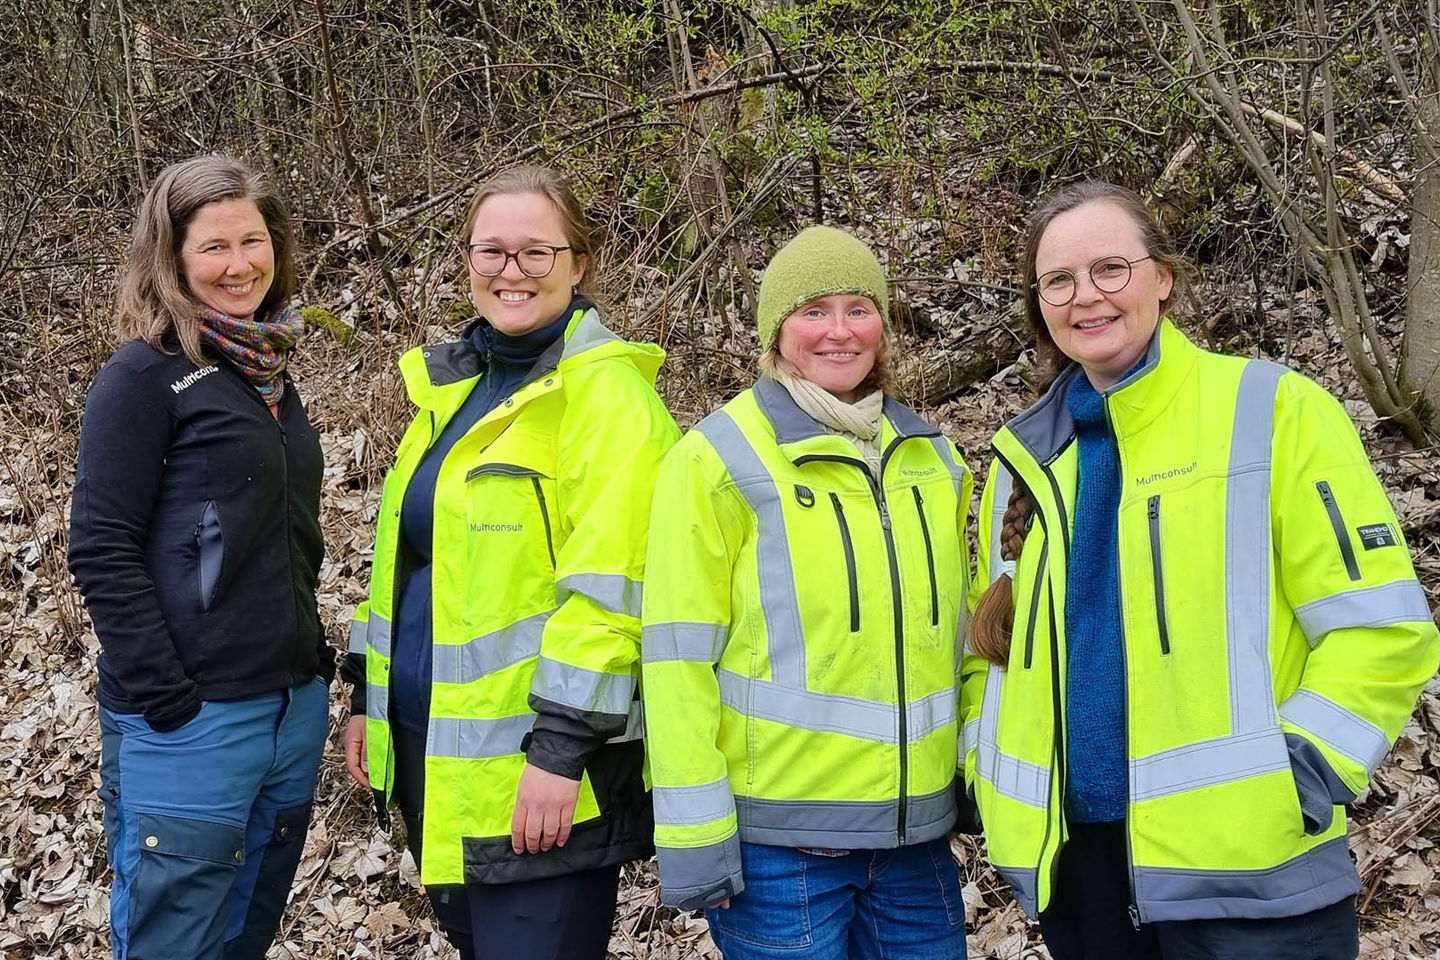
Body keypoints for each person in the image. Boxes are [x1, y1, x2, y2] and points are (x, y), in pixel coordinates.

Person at [963, 180, 1440, 960]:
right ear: (1040, 303)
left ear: (1164, 277)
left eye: (1111, 268)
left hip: (1253, 874)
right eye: (1059, 280)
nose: (1087, 296)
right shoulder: (1023, 463)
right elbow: (1000, 657)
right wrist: (990, 777)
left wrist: (1299, 774)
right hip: (1079, 878)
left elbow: (1382, 629)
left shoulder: (1273, 411)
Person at [341, 165, 679, 960]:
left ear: (579, 263)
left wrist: (559, 754)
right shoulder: (453, 389)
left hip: (543, 779)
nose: (510, 272)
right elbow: (408, 561)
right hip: (438, 766)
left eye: (536, 252)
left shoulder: (609, 401)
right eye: (491, 251)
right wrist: (366, 692)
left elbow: (611, 598)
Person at [642, 225, 973, 960]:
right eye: (813, 310)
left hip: (915, 844)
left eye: (859, 308)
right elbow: (675, 662)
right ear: (776, 329)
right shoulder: (715, 459)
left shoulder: (935, 460)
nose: (838, 331)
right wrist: (696, 838)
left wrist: (974, 782)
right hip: (778, 851)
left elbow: (963, 644)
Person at [68, 155, 331, 960]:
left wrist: (312, 672)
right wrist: (168, 699)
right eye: (214, 246)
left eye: (254, 241)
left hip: (288, 712)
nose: (240, 264)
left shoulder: (267, 373)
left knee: (241, 939)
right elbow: (100, 545)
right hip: (192, 722)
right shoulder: (143, 376)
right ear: (173, 257)